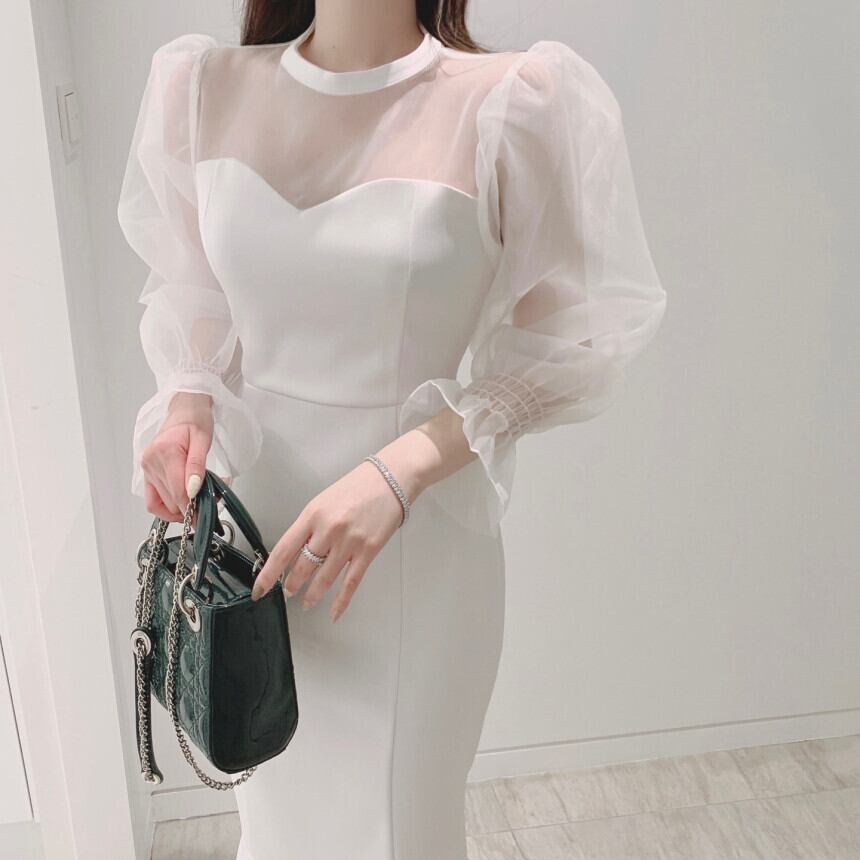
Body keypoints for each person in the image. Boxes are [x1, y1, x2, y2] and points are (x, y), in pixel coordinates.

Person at [117, 2, 667, 857]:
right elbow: (198, 297)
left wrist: (401, 469)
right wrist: (187, 402)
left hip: (415, 554)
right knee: (277, 823)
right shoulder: (199, 86)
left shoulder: (512, 103)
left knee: (399, 828)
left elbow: (579, 342)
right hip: (254, 556)